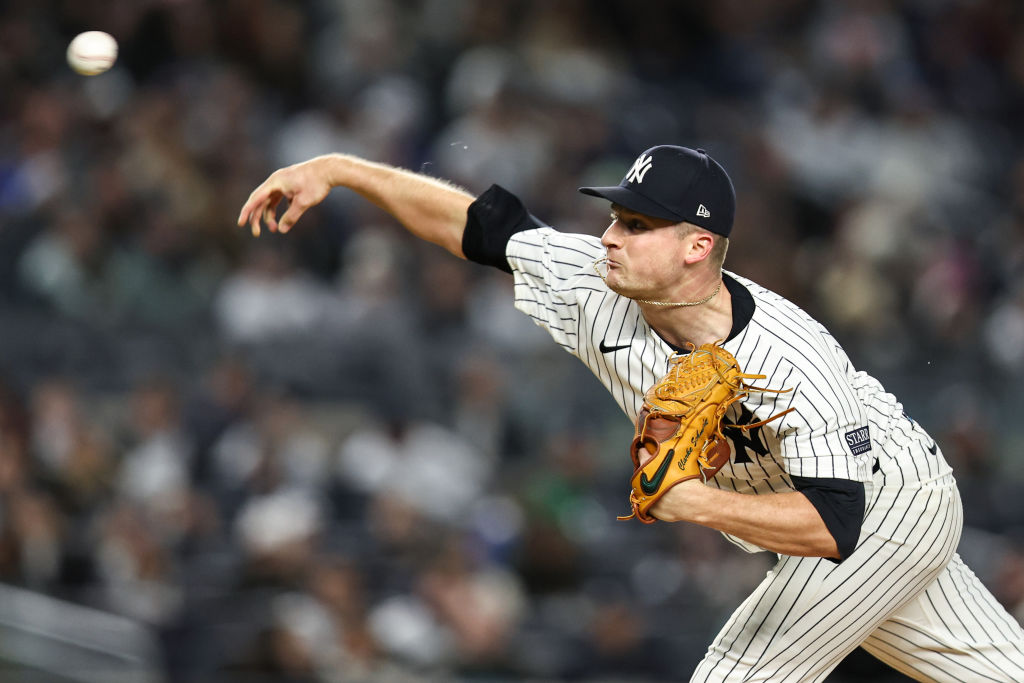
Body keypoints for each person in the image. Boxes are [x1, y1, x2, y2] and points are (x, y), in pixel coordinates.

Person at [238, 145, 1024, 681]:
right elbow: (477, 227)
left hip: (887, 502)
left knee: (741, 669)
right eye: (616, 216)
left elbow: (835, 524)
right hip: (838, 518)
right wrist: (340, 170)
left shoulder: (789, 355)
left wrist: (695, 502)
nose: (610, 236)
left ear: (697, 246)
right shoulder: (596, 284)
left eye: (637, 225)